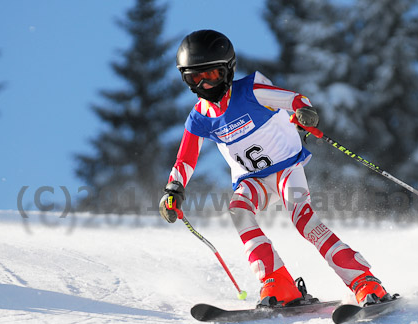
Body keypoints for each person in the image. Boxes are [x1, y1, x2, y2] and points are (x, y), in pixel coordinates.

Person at [160, 30, 390, 307]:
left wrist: (304, 111)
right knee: (238, 211)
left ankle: (364, 281)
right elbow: (185, 159)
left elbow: (294, 99)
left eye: (211, 75)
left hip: (285, 168)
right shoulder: (200, 117)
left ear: (228, 70)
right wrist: (174, 189)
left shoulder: (251, 91)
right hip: (251, 179)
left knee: (303, 221)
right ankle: (278, 283)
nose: (204, 85)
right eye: (194, 78)